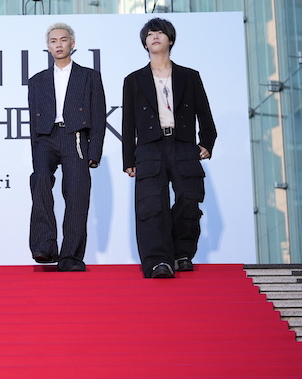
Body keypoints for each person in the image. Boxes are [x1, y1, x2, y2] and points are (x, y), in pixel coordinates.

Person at [122, 18, 216, 278]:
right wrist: (129, 159)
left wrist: (207, 142)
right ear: (145, 43)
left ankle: (181, 253)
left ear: (170, 40)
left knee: (189, 199)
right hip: (149, 148)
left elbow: (204, 113)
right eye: (150, 34)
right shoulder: (133, 80)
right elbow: (128, 123)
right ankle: (157, 261)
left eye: (160, 33)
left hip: (183, 144)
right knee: (152, 205)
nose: (155, 37)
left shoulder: (189, 76)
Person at [28, 23, 107, 272]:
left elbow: (99, 116)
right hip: (46, 137)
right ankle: (44, 246)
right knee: (40, 179)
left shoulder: (89, 77)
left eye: (63, 40)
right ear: (48, 46)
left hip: (75, 137)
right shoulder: (37, 81)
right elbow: (33, 121)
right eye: (53, 41)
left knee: (76, 195)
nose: (58, 44)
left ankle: (70, 257)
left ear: (72, 44)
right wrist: (35, 152)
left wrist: (94, 151)